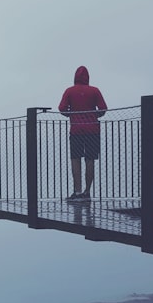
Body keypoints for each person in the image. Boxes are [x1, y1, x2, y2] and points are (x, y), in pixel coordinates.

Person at [58, 65, 107, 201]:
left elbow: (61, 108)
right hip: (93, 129)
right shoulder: (95, 91)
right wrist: (93, 115)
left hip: (76, 129)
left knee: (75, 158)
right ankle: (87, 192)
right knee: (90, 159)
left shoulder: (69, 91)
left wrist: (71, 114)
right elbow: (103, 108)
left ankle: (77, 191)